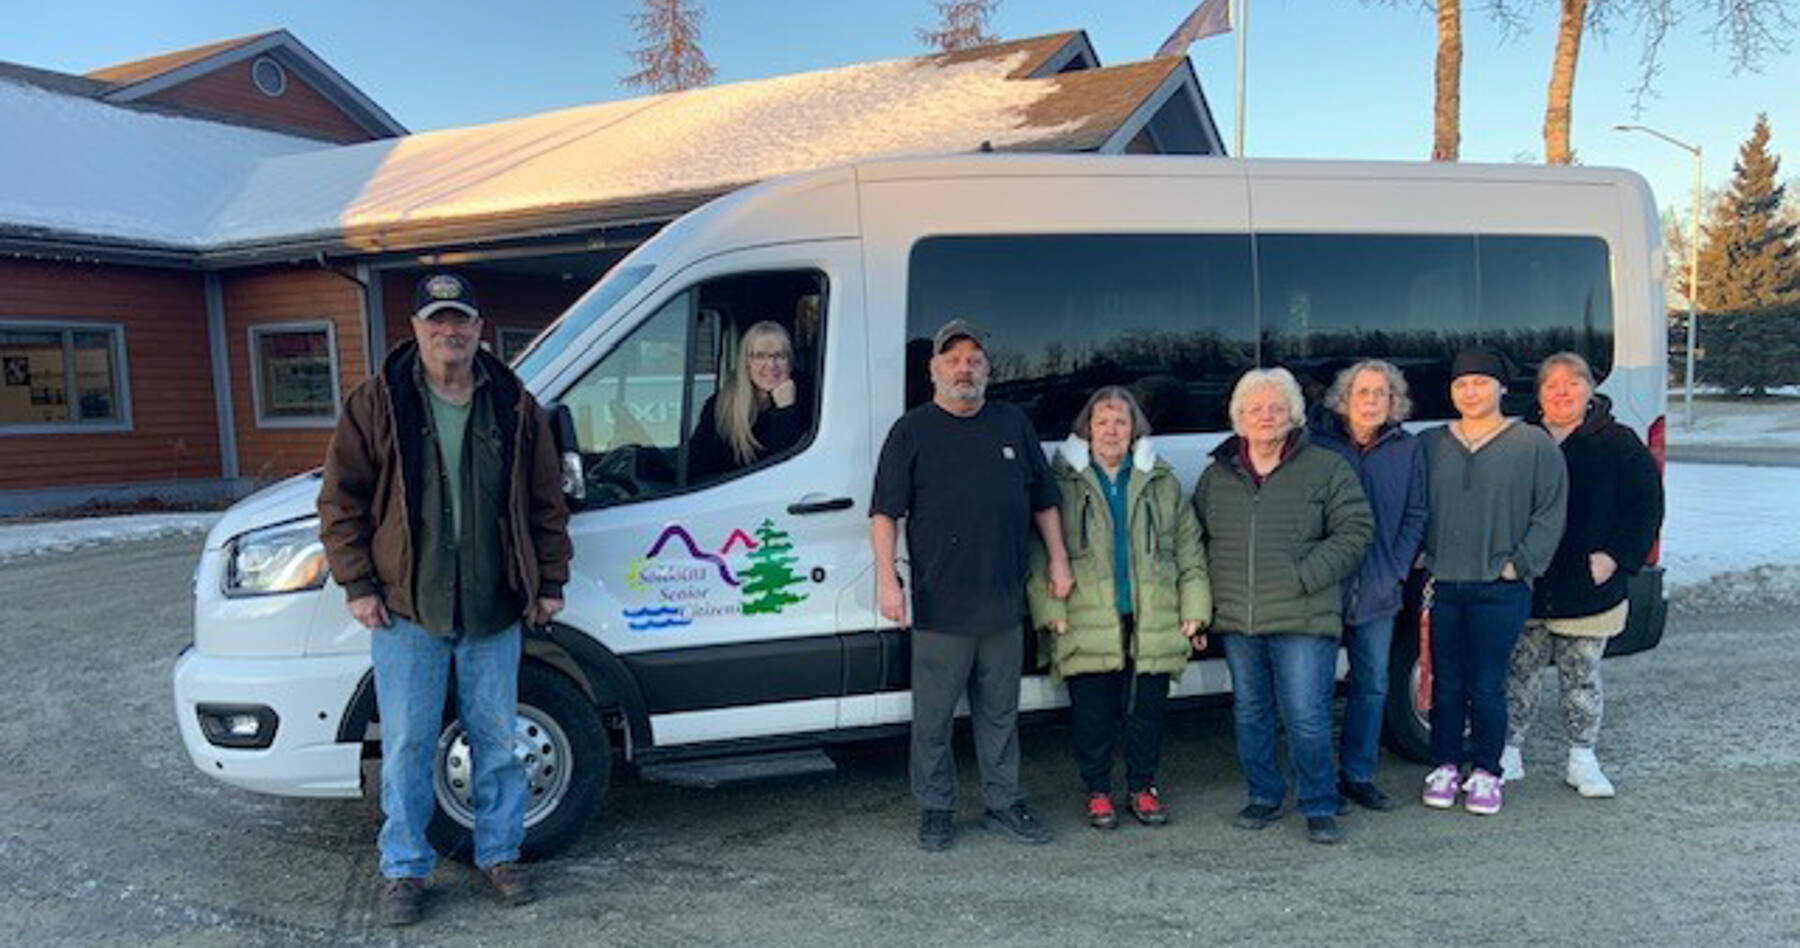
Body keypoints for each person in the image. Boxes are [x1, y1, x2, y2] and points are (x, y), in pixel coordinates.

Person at [318, 272, 572, 926]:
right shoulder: (376, 403)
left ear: (479, 328)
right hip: (406, 606)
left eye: (460, 320)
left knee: (497, 737)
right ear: (416, 328)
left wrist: (548, 582)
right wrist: (357, 583)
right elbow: (341, 502)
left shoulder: (513, 404)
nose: (449, 331)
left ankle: (501, 853)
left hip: (494, 602)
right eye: (437, 320)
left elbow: (546, 503)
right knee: (405, 744)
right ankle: (404, 868)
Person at [870, 318, 1074, 852]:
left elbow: (1044, 500)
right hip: (942, 604)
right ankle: (937, 808)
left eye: (975, 360)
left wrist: (1058, 560)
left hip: (1005, 601)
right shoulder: (910, 430)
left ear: (988, 370)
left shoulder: (1013, 424)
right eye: (953, 359)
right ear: (933, 370)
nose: (965, 368)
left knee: (1000, 714)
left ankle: (1004, 802)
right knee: (934, 719)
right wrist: (887, 580)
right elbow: (885, 513)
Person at [1192, 367, 1372, 845]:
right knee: (1251, 713)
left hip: (1302, 614)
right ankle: (1264, 796)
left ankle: (1319, 802)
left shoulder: (1326, 467)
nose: (1266, 417)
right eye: (1255, 409)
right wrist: (1201, 605)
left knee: (1306, 715)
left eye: (1276, 408)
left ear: (1293, 415)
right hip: (1239, 617)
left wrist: (1304, 577)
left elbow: (1355, 531)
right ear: (1239, 418)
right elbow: (1196, 541)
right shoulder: (1217, 476)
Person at [1027, 386, 1211, 830]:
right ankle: (1097, 791)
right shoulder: (1063, 481)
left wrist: (1197, 609)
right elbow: (1039, 550)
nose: (1111, 430)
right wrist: (1049, 606)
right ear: (1086, 429)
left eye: (1121, 422)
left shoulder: (1161, 482)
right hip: (1084, 612)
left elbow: (1189, 549)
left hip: (1154, 612)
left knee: (1146, 710)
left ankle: (1143, 788)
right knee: (1092, 712)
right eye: (1102, 421)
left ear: (1135, 430)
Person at [1502, 352, 1663, 797]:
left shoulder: (1618, 442)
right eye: (1551, 384)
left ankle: (1582, 757)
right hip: (1529, 582)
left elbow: (1646, 506)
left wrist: (1614, 557)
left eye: (1572, 383)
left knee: (1582, 675)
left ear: (1589, 390)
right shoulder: (1519, 439)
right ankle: (1509, 749)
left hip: (1588, 583)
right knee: (1519, 672)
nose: (1561, 392)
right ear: (1538, 394)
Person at [1418, 348, 1566, 816]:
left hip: (1500, 586)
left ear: (1502, 387)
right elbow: (1414, 503)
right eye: (1462, 384)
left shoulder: (1531, 444)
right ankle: (1444, 764)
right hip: (1443, 583)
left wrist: (1520, 564)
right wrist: (1420, 552)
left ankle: (1486, 771)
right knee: (1445, 682)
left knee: (1486, 683)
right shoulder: (1432, 443)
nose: (1471, 391)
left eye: (1481, 382)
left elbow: (1550, 510)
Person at [1308, 360, 1429, 813]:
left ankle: (1358, 774)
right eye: (1363, 392)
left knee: (1373, 683)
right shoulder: (1318, 446)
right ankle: (1319, 779)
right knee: (1315, 687)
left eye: (1382, 393)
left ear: (1393, 401)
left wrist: (1396, 568)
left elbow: (1416, 512)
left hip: (1380, 586)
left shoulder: (1407, 448)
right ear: (1345, 399)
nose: (1372, 401)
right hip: (1325, 587)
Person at [689, 320, 809, 479]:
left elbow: (789, 469)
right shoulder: (720, 405)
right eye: (760, 356)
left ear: (790, 361)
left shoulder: (811, 398)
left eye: (779, 356)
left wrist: (786, 411)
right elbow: (697, 468)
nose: (771, 365)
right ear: (746, 362)